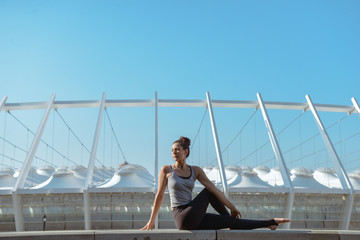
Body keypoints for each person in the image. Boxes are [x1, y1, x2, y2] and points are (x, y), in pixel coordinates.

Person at [141, 136, 290, 230]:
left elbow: (216, 190)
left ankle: (271, 222)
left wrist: (233, 207)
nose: (174, 152)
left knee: (224, 215)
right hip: (181, 215)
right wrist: (151, 221)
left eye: (177, 150)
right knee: (208, 192)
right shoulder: (166, 170)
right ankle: (231, 220)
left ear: (186, 151)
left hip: (193, 214)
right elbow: (159, 196)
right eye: (172, 150)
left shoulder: (196, 170)